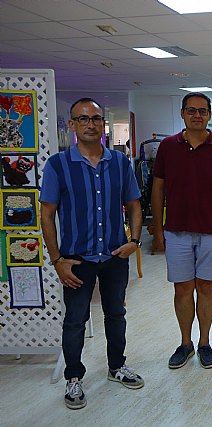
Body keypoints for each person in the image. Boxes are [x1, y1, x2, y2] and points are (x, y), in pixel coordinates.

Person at [40, 98, 144, 410]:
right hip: (76, 260)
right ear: (71, 125)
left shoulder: (120, 162)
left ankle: (116, 367)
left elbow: (135, 204)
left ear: (103, 124)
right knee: (75, 320)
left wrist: (135, 239)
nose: (90, 124)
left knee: (116, 314)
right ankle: (74, 378)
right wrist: (57, 259)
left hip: (114, 255)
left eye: (96, 119)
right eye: (83, 119)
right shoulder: (58, 165)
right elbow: (47, 215)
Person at [151, 92, 212, 370]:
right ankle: (185, 343)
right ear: (182, 113)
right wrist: (156, 227)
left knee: (205, 287)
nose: (197, 115)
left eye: (203, 111)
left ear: (209, 115)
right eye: (192, 110)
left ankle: (204, 343)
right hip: (176, 230)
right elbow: (157, 187)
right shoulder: (167, 146)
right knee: (182, 289)